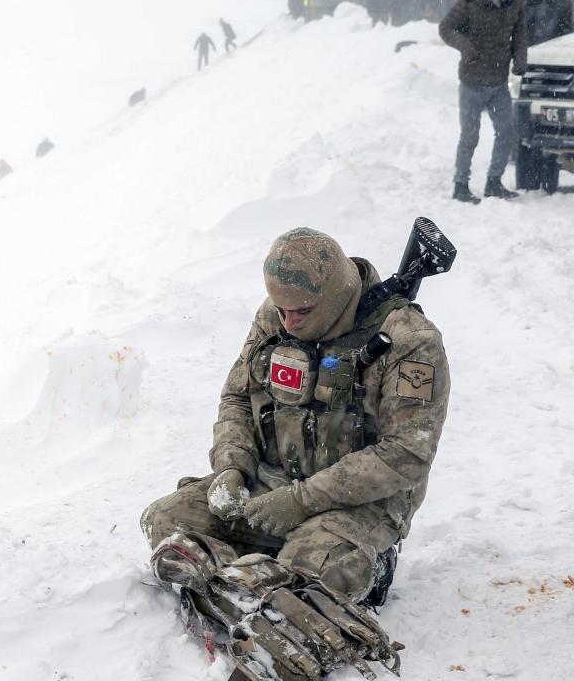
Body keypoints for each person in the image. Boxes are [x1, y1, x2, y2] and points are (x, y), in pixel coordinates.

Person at [141, 228, 450, 678]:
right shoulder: (277, 313)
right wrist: (232, 466)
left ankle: (317, 578)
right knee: (166, 521)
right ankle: (257, 585)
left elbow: (406, 454)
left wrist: (301, 501)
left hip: (355, 506)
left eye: (301, 311)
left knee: (306, 581)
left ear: (334, 297)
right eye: (281, 309)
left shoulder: (410, 341)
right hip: (269, 481)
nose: (287, 322)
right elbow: (237, 399)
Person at [439, 0, 527, 202]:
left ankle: (494, 181)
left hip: (499, 83)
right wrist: (466, 47)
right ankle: (461, 184)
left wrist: (520, 60)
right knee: (470, 135)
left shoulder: (517, 5)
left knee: (506, 132)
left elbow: (520, 36)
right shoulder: (470, 2)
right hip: (472, 81)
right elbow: (446, 28)